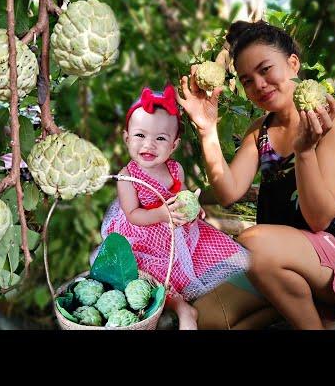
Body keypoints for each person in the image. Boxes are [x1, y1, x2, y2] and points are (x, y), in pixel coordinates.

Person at [177, 20, 335, 329]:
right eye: (248, 80)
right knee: (206, 318)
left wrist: (305, 152)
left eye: (266, 70)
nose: (259, 85)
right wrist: (207, 128)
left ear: (292, 64)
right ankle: (295, 301)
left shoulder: (333, 121)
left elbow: (319, 219)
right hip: (273, 261)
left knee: (252, 242)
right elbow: (228, 192)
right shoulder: (260, 130)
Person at [99, 84, 250, 330]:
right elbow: (134, 215)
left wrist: (192, 208)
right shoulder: (127, 177)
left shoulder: (174, 169)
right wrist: (161, 214)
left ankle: (238, 289)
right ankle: (182, 308)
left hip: (176, 232)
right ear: (127, 138)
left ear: (174, 145)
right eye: (140, 136)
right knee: (148, 273)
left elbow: (181, 197)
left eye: (160, 138)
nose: (149, 145)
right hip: (142, 236)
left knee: (209, 251)